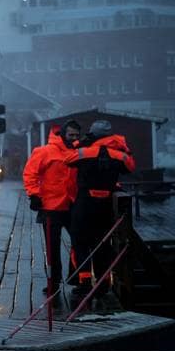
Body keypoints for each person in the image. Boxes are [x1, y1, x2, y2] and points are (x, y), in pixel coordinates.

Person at [64, 119, 136, 306]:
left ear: (93, 134)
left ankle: (84, 282)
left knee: (80, 242)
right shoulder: (119, 155)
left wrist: (84, 144)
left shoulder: (84, 152)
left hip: (85, 203)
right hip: (106, 205)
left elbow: (68, 160)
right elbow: (131, 166)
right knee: (102, 243)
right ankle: (103, 284)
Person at [22, 120, 80, 299]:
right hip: (51, 206)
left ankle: (76, 277)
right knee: (52, 248)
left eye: (77, 135)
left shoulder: (79, 152)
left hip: (72, 205)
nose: (74, 138)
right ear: (63, 134)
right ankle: (53, 282)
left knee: (79, 242)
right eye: (71, 135)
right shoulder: (44, 152)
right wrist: (34, 195)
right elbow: (30, 173)